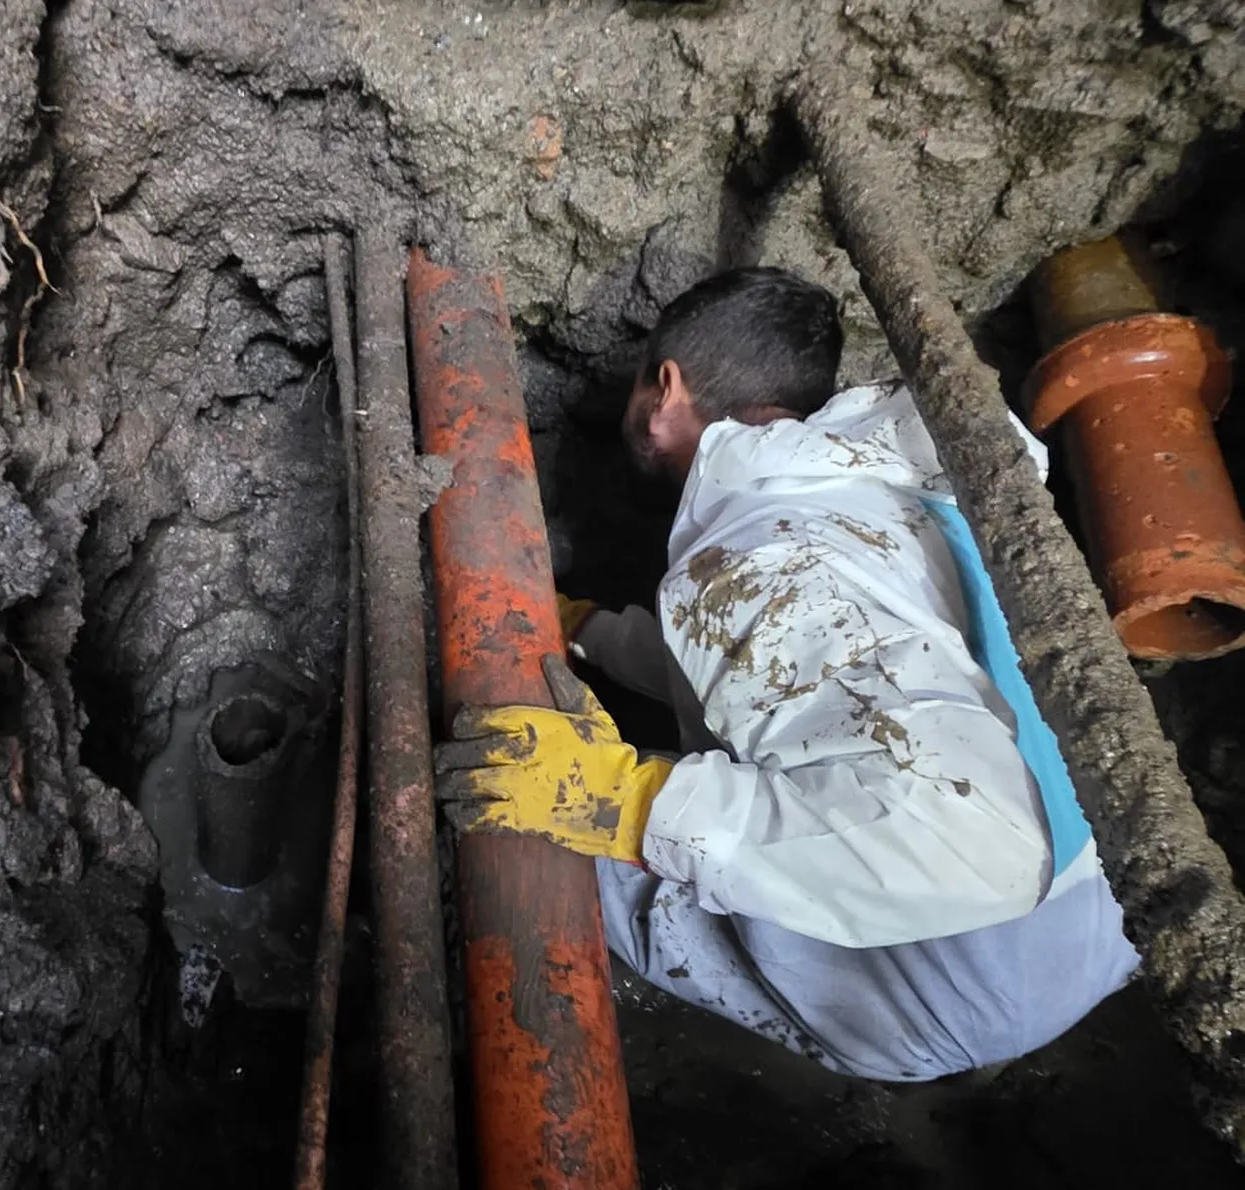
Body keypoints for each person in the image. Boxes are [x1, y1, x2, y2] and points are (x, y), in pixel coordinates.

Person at [433, 267, 1140, 1081]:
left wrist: (625, 802)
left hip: (961, 971)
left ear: (665, 390)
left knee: (551, 834)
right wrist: (591, 629)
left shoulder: (760, 554)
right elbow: (810, 680)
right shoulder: (875, 497)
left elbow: (975, 842)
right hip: (1102, 920)